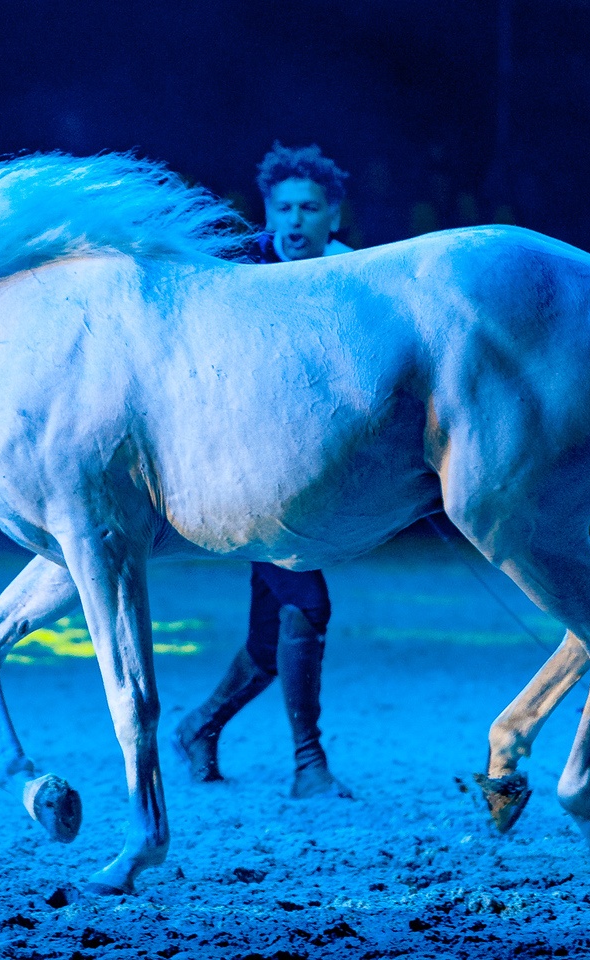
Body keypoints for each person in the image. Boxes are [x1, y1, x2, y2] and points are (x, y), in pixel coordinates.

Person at [174, 142, 354, 799]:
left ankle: (199, 728)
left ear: (334, 215)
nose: (295, 219)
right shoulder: (238, 272)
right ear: (269, 212)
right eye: (284, 207)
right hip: (240, 475)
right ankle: (310, 765)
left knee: (269, 631)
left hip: (310, 478)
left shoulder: (352, 276)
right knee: (306, 601)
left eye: (309, 207)